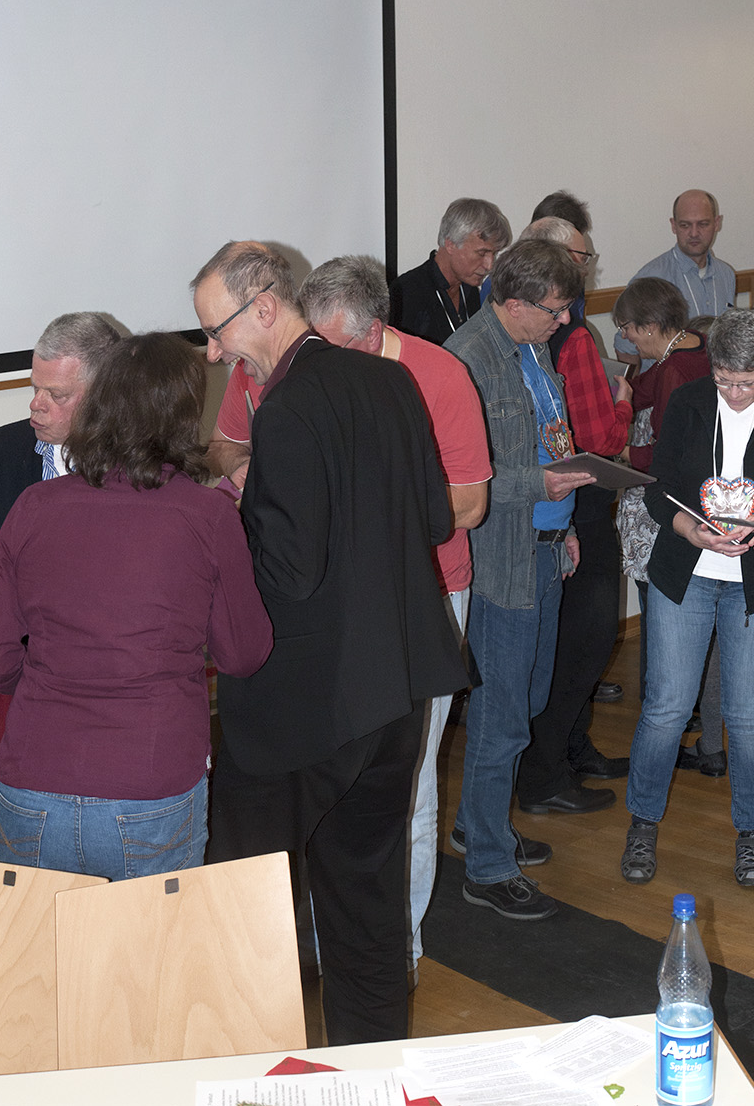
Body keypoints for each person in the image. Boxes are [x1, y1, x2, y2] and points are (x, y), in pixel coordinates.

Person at [195, 241, 465, 1042]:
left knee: (254, 901)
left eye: (218, 330)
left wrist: (227, 519)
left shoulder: (285, 408)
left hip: (305, 707)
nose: (213, 351)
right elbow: (435, 518)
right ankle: (372, 1071)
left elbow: (288, 568)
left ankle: (254, 1074)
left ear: (267, 306)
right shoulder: (389, 379)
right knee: (368, 899)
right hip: (398, 687)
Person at [0, 331, 271, 886]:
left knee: (31, 966)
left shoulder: (34, 506)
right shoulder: (208, 516)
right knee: (141, 967)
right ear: (184, 415)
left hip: (36, 776)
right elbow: (243, 654)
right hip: (150, 781)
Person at [294, 256, 492, 983]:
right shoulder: (304, 370)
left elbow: (468, 504)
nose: (319, 363)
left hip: (429, 592)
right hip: (333, 601)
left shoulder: (438, 375)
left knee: (406, 781)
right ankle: (329, 935)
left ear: (375, 329)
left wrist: (364, 509)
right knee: (332, 773)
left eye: (336, 347)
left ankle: (395, 948)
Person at [620, 310, 754, 888]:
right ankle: (642, 822)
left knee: (752, 716)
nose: (734, 394)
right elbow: (660, 489)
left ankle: (751, 834)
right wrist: (689, 530)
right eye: (724, 380)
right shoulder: (687, 403)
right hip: (686, 570)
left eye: (747, 382)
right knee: (665, 706)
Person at [447, 239, 595, 922]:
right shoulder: (468, 361)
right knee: (504, 715)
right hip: (502, 555)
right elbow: (458, 484)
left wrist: (562, 521)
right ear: (513, 303)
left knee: (526, 700)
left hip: (544, 543)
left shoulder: (531, 346)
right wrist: (543, 485)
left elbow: (551, 435)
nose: (564, 321)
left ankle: (480, 824)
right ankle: (486, 863)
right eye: (555, 310)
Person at [0, 312, 125, 849]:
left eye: (56, 394)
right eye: (33, 388)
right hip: (8, 687)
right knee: (2, 838)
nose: (35, 406)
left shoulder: (135, 471)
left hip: (99, 701)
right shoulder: (5, 450)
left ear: (105, 395)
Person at [512, 217, 630, 812]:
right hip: (575, 503)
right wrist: (626, 403)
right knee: (582, 639)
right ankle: (548, 770)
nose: (586, 266)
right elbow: (602, 438)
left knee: (563, 643)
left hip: (548, 506)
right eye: (580, 256)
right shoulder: (574, 339)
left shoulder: (523, 339)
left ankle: (571, 749)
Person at [614, 279, 708, 731]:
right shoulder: (697, 346)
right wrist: (624, 393)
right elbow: (643, 387)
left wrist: (626, 455)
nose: (627, 338)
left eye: (629, 329)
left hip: (675, 502)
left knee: (661, 607)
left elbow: (670, 450)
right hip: (706, 496)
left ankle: (666, 710)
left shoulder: (675, 371)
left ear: (650, 326)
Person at [615, 189, 735, 367]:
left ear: (717, 223)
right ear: (673, 225)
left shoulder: (727, 274)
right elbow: (625, 346)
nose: (694, 233)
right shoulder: (651, 278)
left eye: (703, 224)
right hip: (667, 389)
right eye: (685, 225)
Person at [389, 198, 511, 345]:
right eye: (482, 253)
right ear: (450, 244)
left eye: (494, 254)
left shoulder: (470, 290)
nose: (490, 265)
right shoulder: (406, 293)